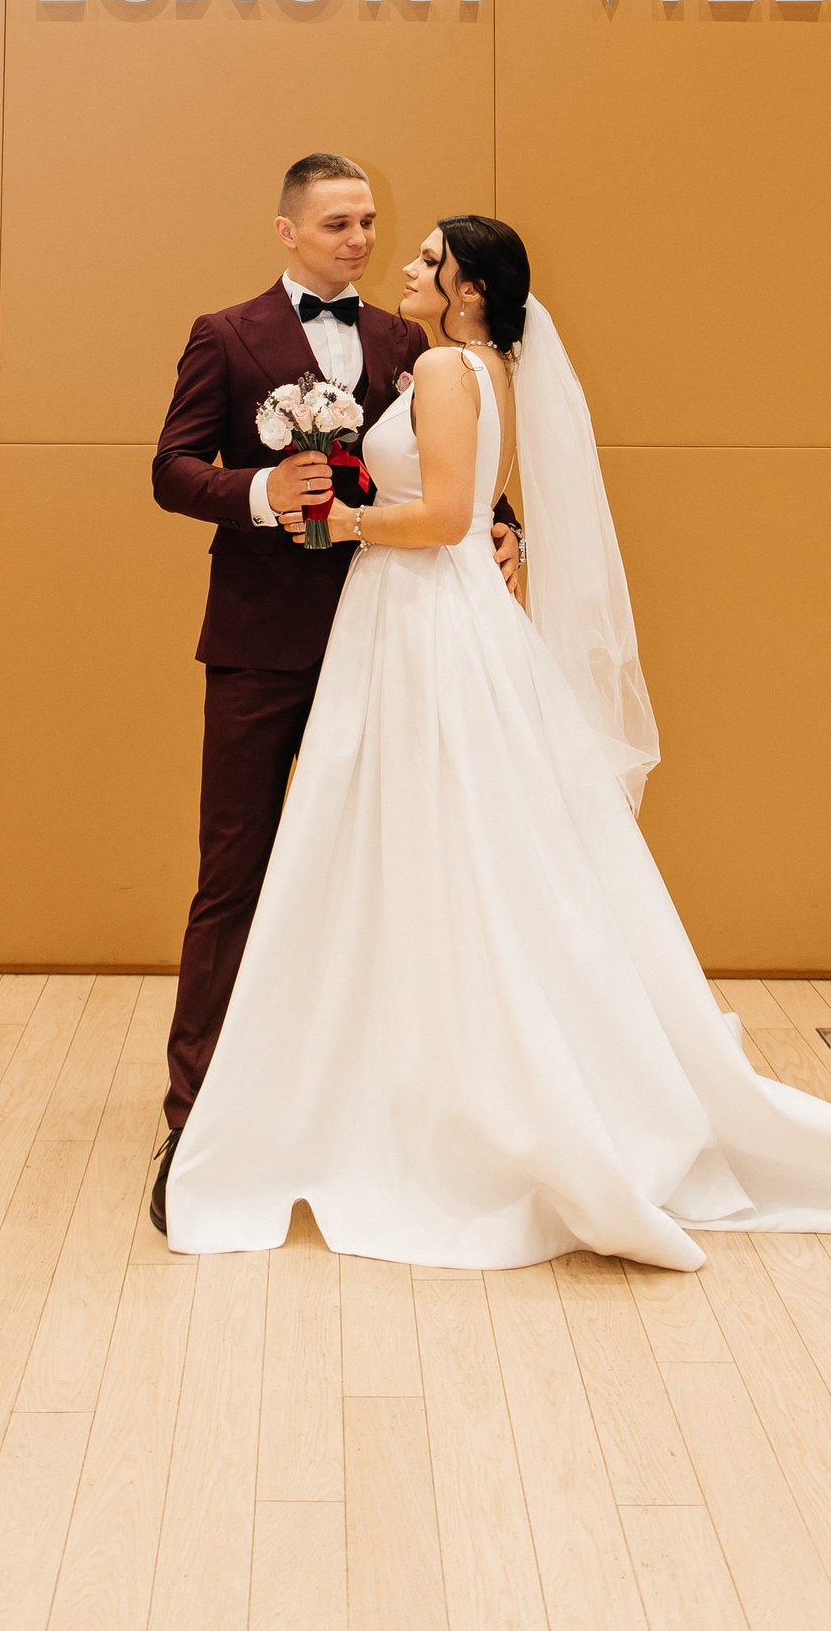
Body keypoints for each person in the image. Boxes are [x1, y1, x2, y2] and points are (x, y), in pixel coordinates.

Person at [165, 214, 831, 1267]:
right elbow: (455, 501)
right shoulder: (470, 364)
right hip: (410, 620)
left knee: (427, 848)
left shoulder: (437, 365)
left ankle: (432, 1090)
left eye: (426, 258)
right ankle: (403, 1072)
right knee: (444, 850)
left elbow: (446, 515)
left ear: (467, 290)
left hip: (419, 616)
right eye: (361, 230)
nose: (398, 258)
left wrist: (340, 523)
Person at [148, 156, 520, 1236]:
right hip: (262, 645)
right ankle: (195, 1115)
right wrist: (260, 491)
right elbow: (172, 469)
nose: (360, 239)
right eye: (338, 223)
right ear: (287, 230)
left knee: (391, 872)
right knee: (234, 876)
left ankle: (369, 1106)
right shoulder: (225, 335)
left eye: (369, 222)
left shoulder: (414, 342)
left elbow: (452, 473)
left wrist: (504, 531)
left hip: (395, 644)